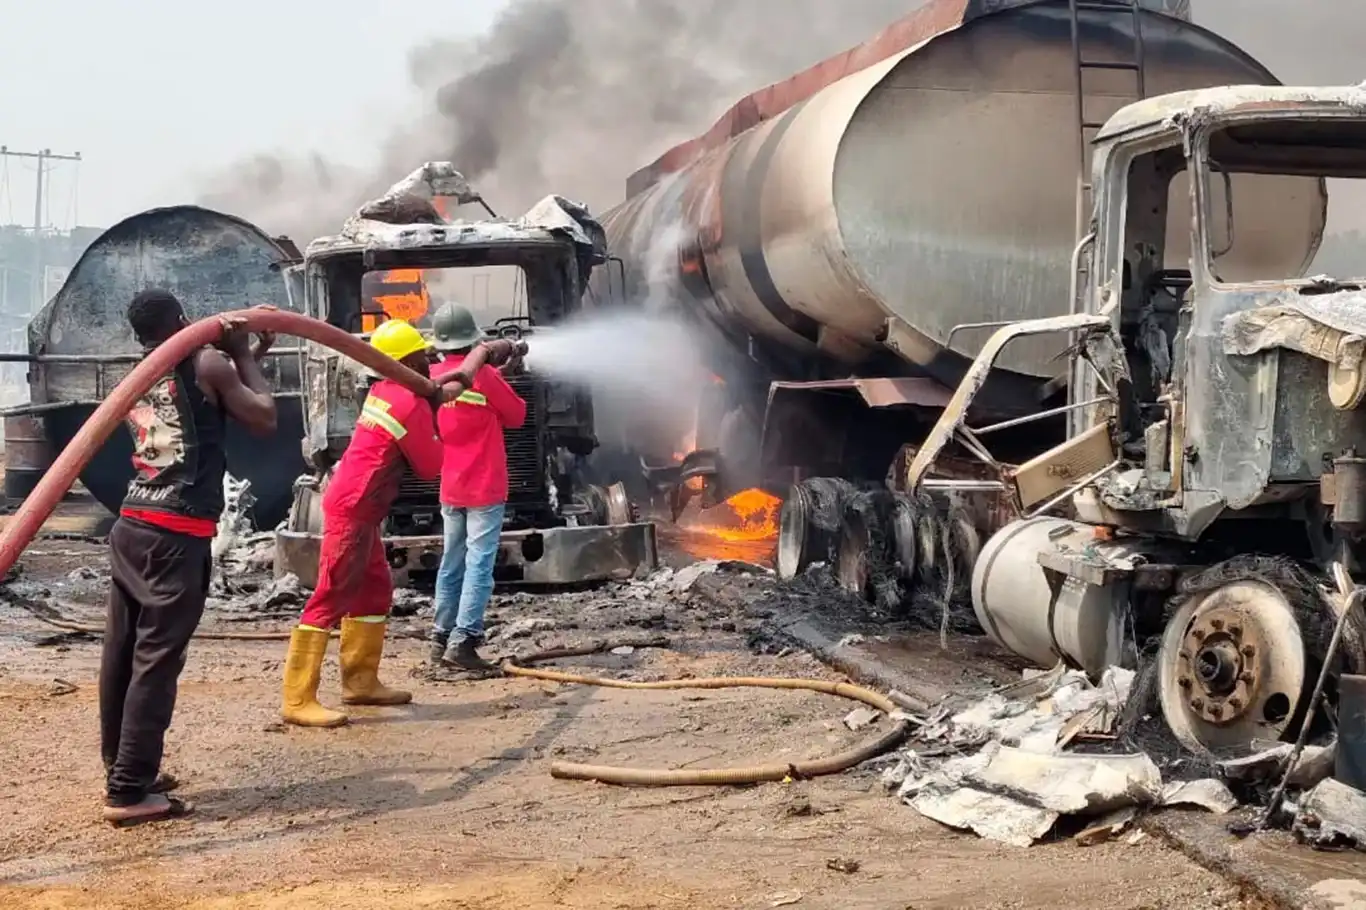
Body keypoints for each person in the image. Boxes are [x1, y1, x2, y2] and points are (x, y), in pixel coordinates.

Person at [280, 319, 515, 727]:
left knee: (374, 592)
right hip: (354, 508)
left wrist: (450, 393)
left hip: (363, 509)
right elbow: (429, 466)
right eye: (421, 355)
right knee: (331, 595)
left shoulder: (386, 390)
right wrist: (446, 427)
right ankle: (298, 698)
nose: (428, 359)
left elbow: (441, 391)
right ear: (404, 361)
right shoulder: (407, 402)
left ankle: (360, 682)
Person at [101, 290, 278, 826]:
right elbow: (264, 416)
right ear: (183, 320)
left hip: (132, 522)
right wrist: (242, 354)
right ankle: (130, 791)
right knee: (156, 660)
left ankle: (124, 766)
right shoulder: (209, 362)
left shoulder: (141, 369)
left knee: (123, 652)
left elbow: (196, 406)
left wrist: (245, 358)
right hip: (175, 535)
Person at [428, 303, 527, 671]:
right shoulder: (483, 377)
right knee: (479, 565)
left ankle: (439, 638)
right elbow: (516, 415)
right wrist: (501, 377)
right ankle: (465, 641)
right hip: (485, 487)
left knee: (451, 563)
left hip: (450, 487)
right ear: (473, 340)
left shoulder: (433, 377)